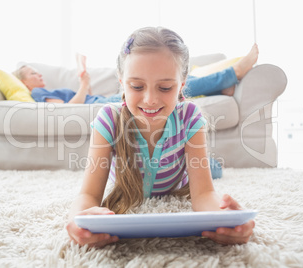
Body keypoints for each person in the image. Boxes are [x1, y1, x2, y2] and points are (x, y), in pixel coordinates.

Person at [65, 27, 255, 248]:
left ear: (182, 85)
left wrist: (228, 219)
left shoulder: (190, 116)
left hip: (179, 177)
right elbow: (88, 194)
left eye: (165, 87)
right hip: (155, 170)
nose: (150, 99)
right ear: (122, 82)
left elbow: (203, 194)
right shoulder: (109, 118)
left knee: (213, 169)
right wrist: (77, 220)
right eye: (137, 86)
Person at [13, 46, 258, 104]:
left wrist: (84, 83)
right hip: (101, 104)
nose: (39, 75)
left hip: (101, 99)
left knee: (172, 85)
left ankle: (223, 84)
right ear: (23, 81)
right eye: (33, 73)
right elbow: (69, 108)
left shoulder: (41, 89)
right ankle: (231, 74)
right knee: (168, 87)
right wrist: (85, 83)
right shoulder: (36, 93)